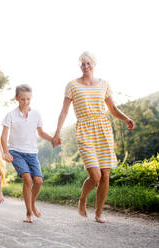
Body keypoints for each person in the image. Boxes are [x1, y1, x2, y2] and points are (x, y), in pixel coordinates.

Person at [52, 51, 135, 223]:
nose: (85, 66)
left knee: (105, 174)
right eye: (82, 63)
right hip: (84, 129)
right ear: (79, 65)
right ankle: (82, 199)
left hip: (103, 129)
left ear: (94, 64)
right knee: (95, 176)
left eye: (88, 63)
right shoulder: (72, 85)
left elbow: (112, 109)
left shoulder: (104, 84)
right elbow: (65, 111)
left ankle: (98, 213)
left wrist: (126, 118)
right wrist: (57, 132)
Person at [1, 84, 53, 223]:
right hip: (16, 152)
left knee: (38, 181)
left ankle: (32, 203)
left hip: (32, 153)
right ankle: (29, 213)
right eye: (23, 99)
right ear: (16, 98)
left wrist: (52, 139)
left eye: (28, 99)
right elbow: (3, 136)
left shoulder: (36, 114)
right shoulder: (10, 115)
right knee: (28, 179)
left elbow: (41, 133)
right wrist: (5, 152)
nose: (26, 102)